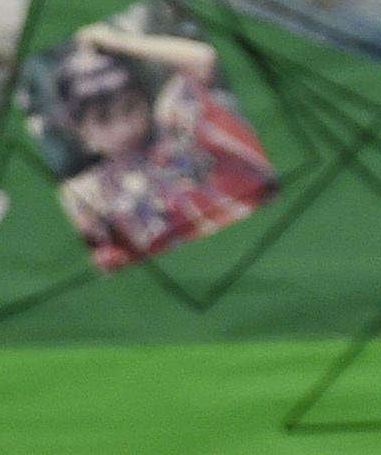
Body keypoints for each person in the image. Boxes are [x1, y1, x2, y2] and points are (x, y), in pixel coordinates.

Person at [42, 16, 274, 268]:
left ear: (143, 98)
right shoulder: (82, 195)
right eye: (103, 119)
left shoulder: (175, 129)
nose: (124, 127)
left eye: (130, 107)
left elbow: (204, 59)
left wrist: (117, 42)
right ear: (80, 132)